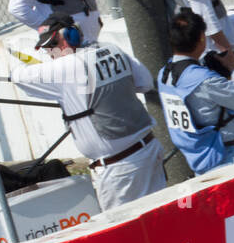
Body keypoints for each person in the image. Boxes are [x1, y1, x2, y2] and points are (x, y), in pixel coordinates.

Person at [9, 13, 166, 210]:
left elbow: (19, 77)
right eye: (47, 48)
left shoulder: (68, 67)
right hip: (148, 150)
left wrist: (38, 65)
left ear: (71, 36)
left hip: (118, 169)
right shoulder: (112, 48)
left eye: (53, 44)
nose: (51, 51)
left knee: (123, 232)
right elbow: (144, 82)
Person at [157, 9, 234, 175]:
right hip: (227, 156)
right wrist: (233, 69)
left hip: (199, 157)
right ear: (202, 38)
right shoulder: (204, 79)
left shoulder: (164, 75)